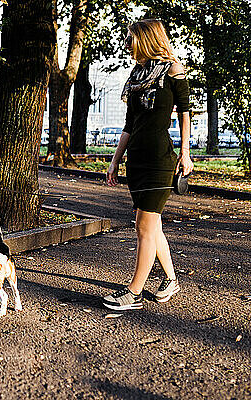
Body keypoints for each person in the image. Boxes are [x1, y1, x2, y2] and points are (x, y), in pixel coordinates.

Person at [103, 19, 194, 311]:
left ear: (145, 39)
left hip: (159, 159)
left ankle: (134, 293)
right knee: (151, 225)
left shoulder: (173, 70)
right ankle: (171, 280)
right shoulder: (137, 74)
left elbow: (185, 112)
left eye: (130, 39)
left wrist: (186, 152)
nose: (126, 45)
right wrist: (115, 162)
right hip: (137, 159)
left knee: (144, 226)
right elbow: (130, 124)